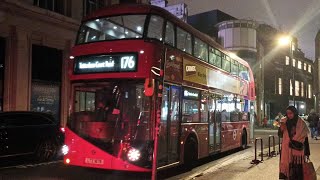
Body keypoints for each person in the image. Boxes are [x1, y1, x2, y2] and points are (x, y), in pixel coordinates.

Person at [279, 106, 310, 180]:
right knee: (287, 170)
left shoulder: (301, 123)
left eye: (291, 113)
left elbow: (305, 139)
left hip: (297, 152)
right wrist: (281, 128)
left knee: (297, 172)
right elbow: (280, 135)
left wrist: (307, 153)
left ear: (295, 113)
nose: (289, 115)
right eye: (287, 113)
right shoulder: (284, 122)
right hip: (286, 151)